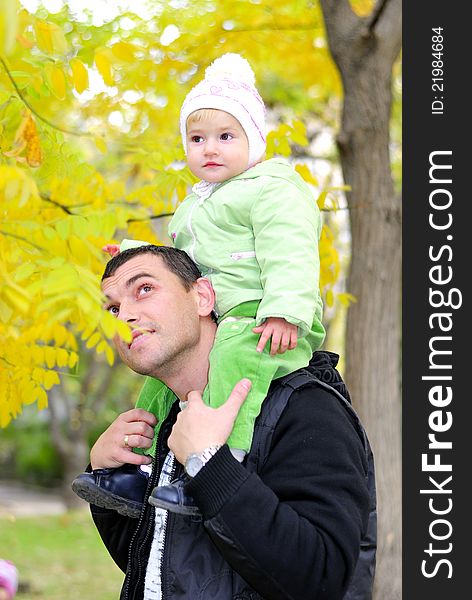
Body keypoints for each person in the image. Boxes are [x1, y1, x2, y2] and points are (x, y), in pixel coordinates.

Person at [93, 52, 326, 514]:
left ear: (254, 140)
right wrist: (137, 252)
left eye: (226, 137)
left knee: (233, 361)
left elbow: (291, 248)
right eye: (197, 139)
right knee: (159, 382)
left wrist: (285, 309)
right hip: (221, 312)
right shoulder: (194, 205)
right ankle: (135, 471)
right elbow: (187, 263)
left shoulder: (271, 187)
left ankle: (216, 465)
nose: (210, 149)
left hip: (260, 317)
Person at [74, 245, 376, 599]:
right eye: (112, 307)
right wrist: (106, 479)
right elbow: (167, 567)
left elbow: (321, 578)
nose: (124, 314)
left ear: (202, 297)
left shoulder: (304, 406)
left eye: (144, 289)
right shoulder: (173, 419)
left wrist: (209, 465)